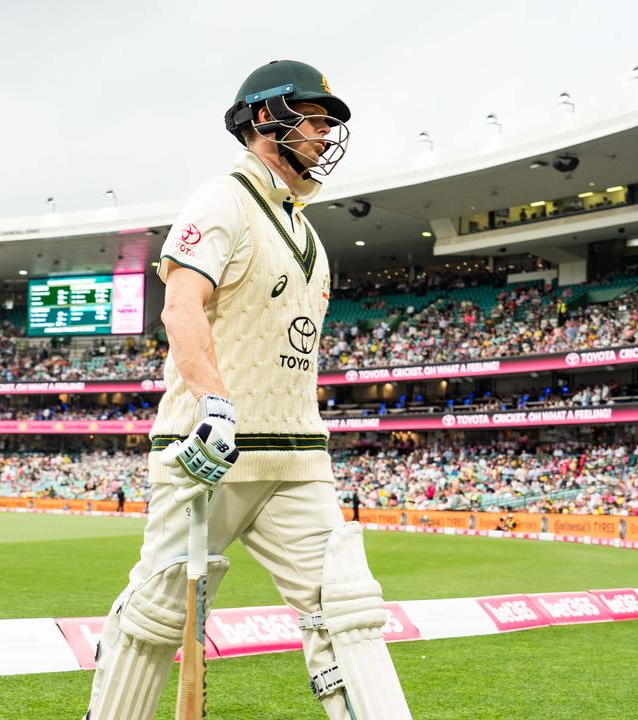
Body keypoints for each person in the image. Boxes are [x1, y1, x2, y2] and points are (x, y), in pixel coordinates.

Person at [84, 60, 410, 720]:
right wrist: (214, 404)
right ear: (267, 118)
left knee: (347, 608)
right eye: (314, 119)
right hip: (211, 451)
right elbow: (181, 308)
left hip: (297, 457)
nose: (325, 134)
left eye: (327, 123)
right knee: (156, 615)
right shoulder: (222, 199)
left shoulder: (309, 233)